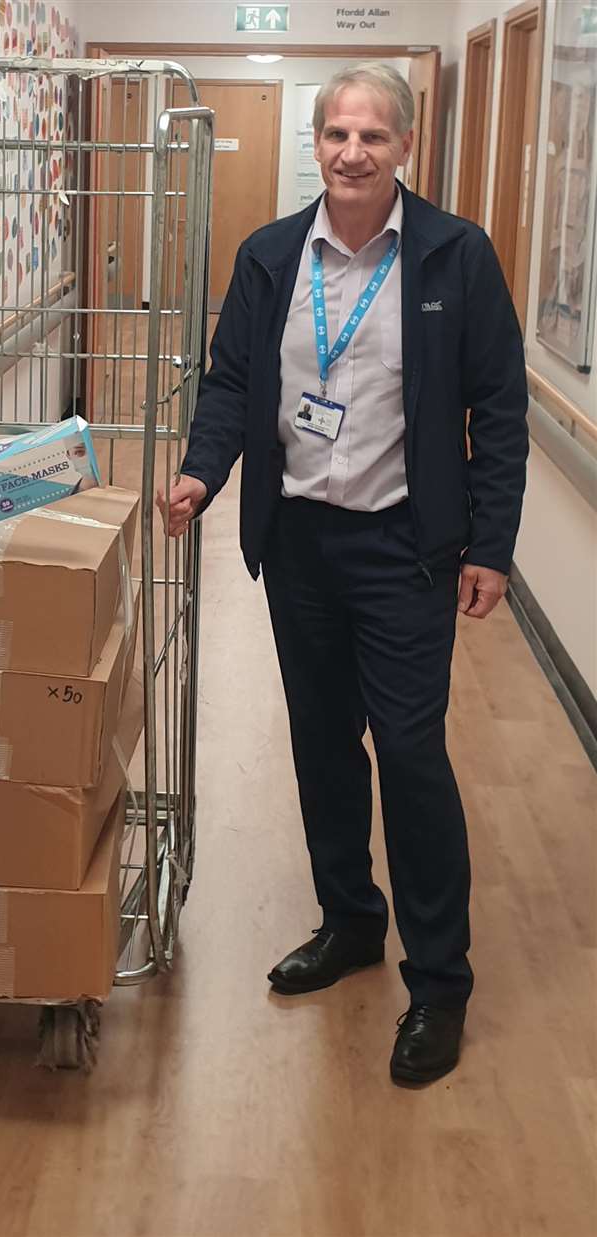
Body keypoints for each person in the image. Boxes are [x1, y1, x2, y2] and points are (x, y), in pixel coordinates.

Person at [158, 64, 528, 1084]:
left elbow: (497, 408)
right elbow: (233, 379)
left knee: (408, 752)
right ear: (314, 144)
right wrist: (200, 472)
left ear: (403, 147)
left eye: (373, 135)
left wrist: (491, 545)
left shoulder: (456, 255)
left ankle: (439, 979)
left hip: (407, 547)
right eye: (337, 134)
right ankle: (351, 921)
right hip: (301, 548)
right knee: (323, 744)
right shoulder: (273, 255)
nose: (353, 152)